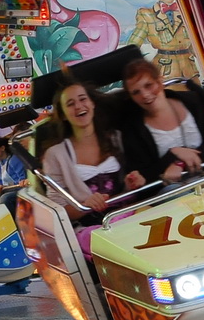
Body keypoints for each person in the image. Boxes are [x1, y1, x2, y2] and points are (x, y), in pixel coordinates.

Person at [37, 80, 146, 221]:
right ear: (63, 115)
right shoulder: (55, 154)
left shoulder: (115, 138)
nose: (78, 106)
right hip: (91, 227)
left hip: (127, 214)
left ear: (92, 103)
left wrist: (131, 184)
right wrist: (85, 205)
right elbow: (58, 210)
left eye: (83, 99)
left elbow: (129, 186)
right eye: (70, 104)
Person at [116, 57, 204, 186]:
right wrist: (172, 155)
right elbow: (143, 175)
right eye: (136, 92)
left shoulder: (193, 102)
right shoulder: (133, 129)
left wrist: (180, 162)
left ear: (160, 81)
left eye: (149, 85)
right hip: (171, 188)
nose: (145, 95)